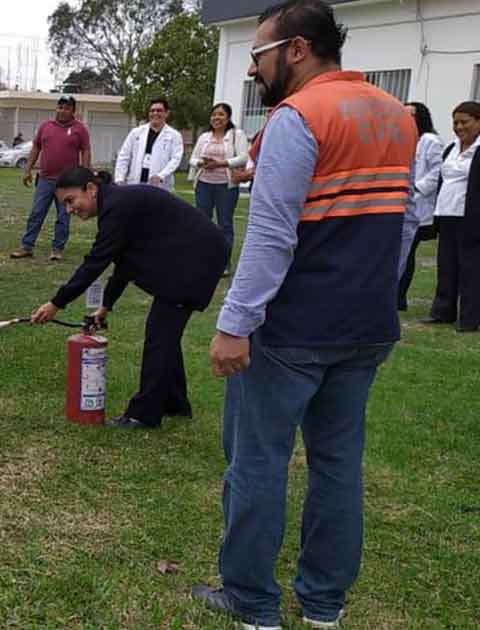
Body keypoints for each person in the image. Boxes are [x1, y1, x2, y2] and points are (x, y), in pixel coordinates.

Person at [195, 3, 417, 629]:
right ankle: (324, 604)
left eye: (259, 55)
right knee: (339, 465)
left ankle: (251, 601)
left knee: (257, 461)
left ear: (295, 50)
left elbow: (270, 235)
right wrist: (377, 290)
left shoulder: (298, 117)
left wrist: (235, 322)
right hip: (366, 327)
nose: (253, 68)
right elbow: (404, 223)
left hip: (293, 329)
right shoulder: (397, 115)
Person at [29, 167, 229, 429]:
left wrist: (56, 303)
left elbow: (96, 262)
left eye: (70, 200)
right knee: (165, 334)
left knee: (159, 333)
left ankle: (143, 415)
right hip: (192, 256)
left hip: (196, 260)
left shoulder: (116, 207)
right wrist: (106, 306)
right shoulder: (116, 204)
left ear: (91, 189)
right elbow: (123, 262)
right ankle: (175, 402)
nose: (69, 209)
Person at [10, 96, 92, 261]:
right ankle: (26, 247)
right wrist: (28, 170)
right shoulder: (45, 126)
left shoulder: (80, 129)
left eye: (67, 108)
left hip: (68, 183)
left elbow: (86, 151)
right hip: (45, 179)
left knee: (63, 217)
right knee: (36, 213)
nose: (63, 111)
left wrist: (84, 174)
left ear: (73, 111)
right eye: (60, 107)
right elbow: (36, 147)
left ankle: (57, 250)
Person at [425, 100, 480, 332]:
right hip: (447, 213)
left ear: (478, 122)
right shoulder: (450, 148)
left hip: (471, 217)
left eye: (464, 122)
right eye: (455, 122)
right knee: (446, 265)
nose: (459, 127)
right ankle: (442, 311)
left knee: (471, 268)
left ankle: (469, 317)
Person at [190, 103, 250, 274]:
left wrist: (220, 164)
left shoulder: (237, 135)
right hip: (203, 185)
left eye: (221, 114)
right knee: (203, 222)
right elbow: (192, 160)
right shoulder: (204, 137)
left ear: (228, 118)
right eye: (214, 114)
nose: (216, 118)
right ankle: (203, 258)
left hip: (226, 186)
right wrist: (202, 163)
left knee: (224, 224)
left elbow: (243, 157)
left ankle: (223, 262)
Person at [397, 102, 444, 310]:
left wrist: (417, 187)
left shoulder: (430, 141)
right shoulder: (405, 138)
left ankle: (399, 297)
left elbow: (437, 171)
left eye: (410, 115)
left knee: (407, 251)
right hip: (403, 201)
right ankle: (397, 296)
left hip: (418, 202)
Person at [114, 98, 184, 191]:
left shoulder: (174, 135)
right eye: (152, 111)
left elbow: (175, 159)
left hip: (160, 185)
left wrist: (161, 175)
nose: (155, 113)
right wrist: (119, 178)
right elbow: (124, 156)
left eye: (159, 111)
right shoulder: (136, 132)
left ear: (167, 113)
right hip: (135, 183)